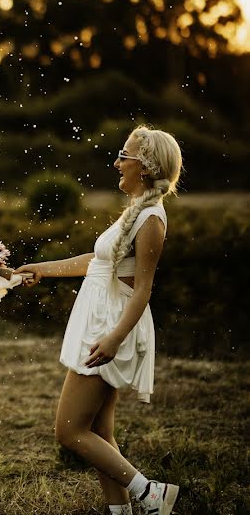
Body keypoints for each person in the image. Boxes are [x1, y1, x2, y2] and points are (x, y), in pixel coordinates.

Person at [15, 125, 182, 515]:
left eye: (124, 155)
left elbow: (142, 290)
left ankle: (151, 494)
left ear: (145, 167)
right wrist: (42, 268)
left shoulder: (151, 220)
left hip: (109, 327)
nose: (116, 161)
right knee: (100, 432)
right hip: (100, 320)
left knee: (69, 431)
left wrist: (113, 339)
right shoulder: (134, 211)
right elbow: (97, 263)